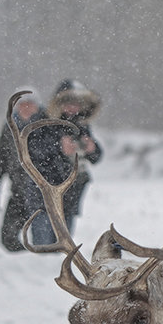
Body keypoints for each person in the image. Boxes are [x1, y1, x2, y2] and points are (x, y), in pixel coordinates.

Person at [0, 88, 57, 251]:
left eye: (30, 104)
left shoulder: (48, 125)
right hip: (18, 191)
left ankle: (40, 267)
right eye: (22, 104)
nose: (26, 108)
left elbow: (55, 159)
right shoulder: (10, 127)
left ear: (38, 107)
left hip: (42, 194)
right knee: (8, 238)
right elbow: (0, 161)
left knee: (44, 242)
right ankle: (24, 263)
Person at [45, 79, 103, 236]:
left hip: (74, 190)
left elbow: (96, 157)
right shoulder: (46, 123)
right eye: (68, 103)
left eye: (76, 104)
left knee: (65, 239)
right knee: (45, 241)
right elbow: (36, 152)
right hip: (48, 191)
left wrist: (91, 148)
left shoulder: (82, 125)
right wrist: (59, 147)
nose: (72, 108)